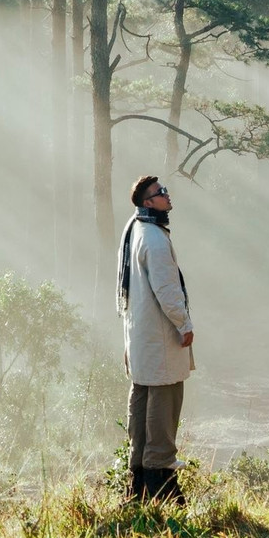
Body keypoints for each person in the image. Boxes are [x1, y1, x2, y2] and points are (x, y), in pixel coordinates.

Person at [116, 174, 195, 503]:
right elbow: (167, 290)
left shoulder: (133, 229)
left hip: (140, 335)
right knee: (164, 406)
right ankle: (162, 484)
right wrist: (184, 323)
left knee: (143, 400)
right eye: (159, 193)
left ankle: (137, 485)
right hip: (159, 336)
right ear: (148, 203)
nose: (166, 195)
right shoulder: (154, 238)